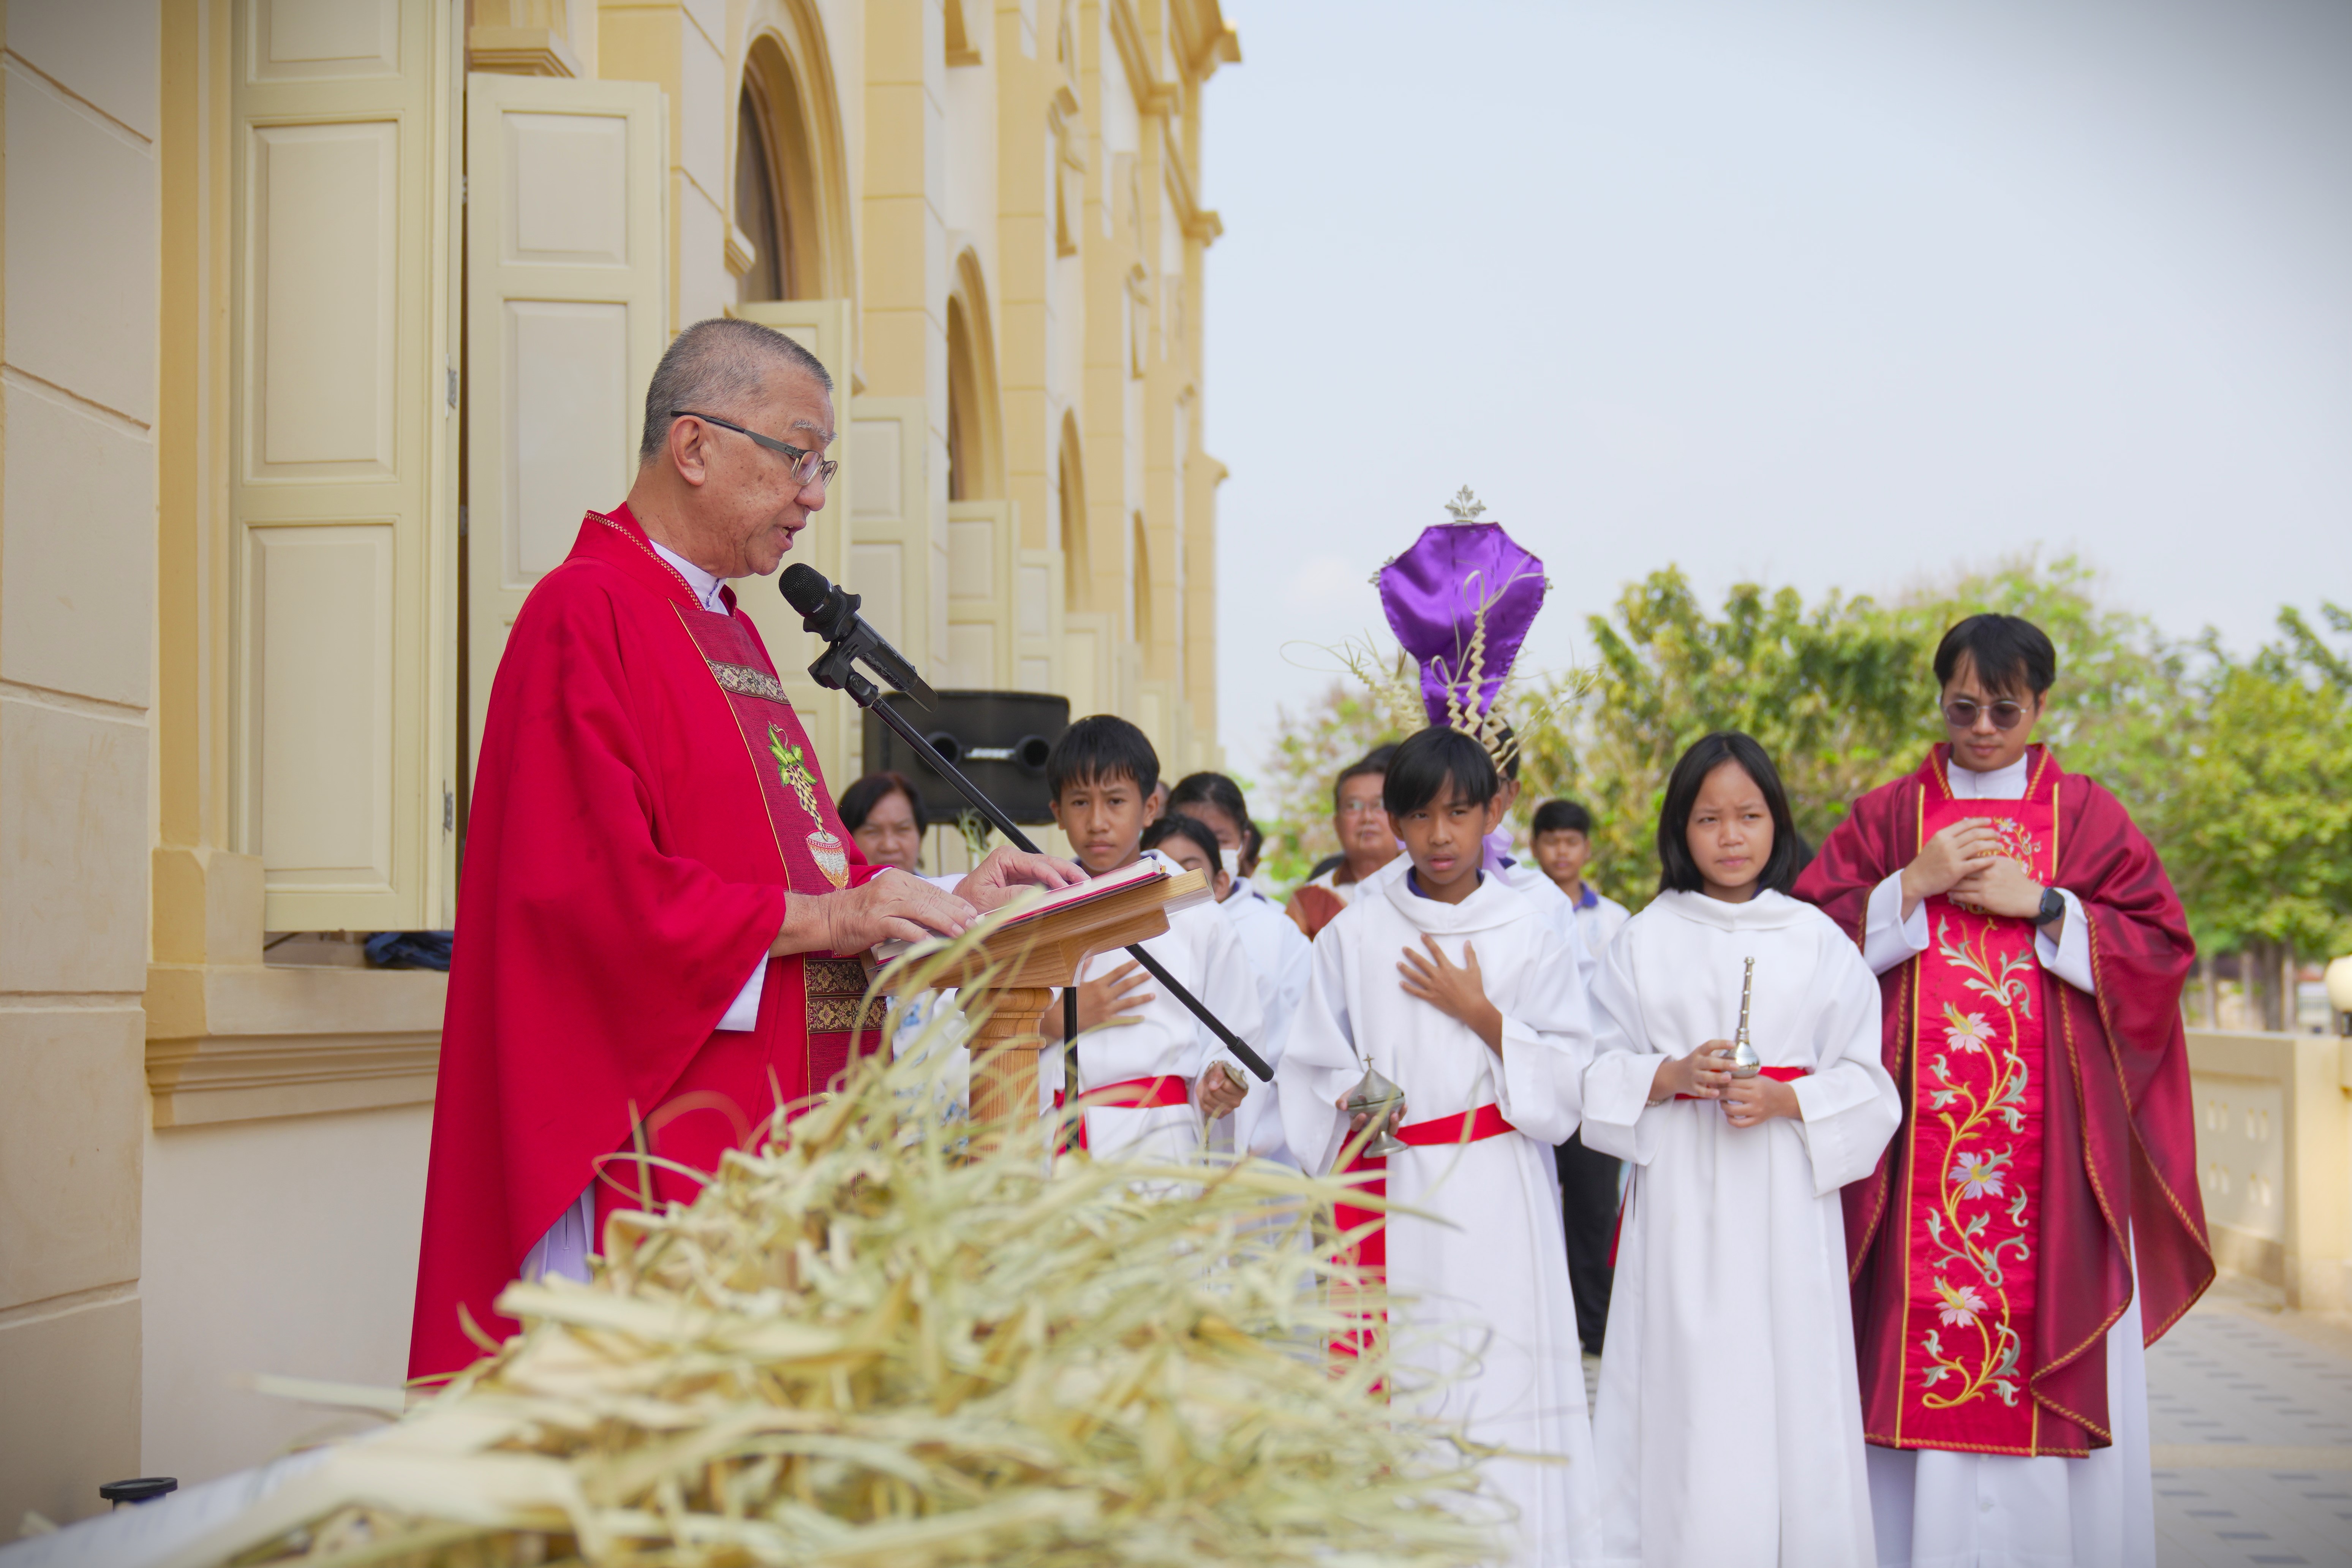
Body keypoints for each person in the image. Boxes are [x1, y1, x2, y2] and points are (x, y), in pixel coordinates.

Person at [409, 319, 1080, 1381]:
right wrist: (832, 919)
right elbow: (587, 895)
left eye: (825, 466)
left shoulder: (729, 627)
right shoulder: (586, 614)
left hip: (801, 1129)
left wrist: (951, 893)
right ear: (694, 447)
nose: (814, 494)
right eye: (798, 457)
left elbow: (806, 867)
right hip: (682, 1144)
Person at [1794, 615, 2209, 1568]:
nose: (1981, 727)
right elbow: (1808, 944)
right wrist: (1909, 882)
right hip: (1914, 1161)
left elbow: (2158, 950)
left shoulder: (2091, 816)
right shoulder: (1889, 815)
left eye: (2004, 709)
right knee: (1911, 1339)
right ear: (1939, 698)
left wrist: (2051, 906)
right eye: (1962, 706)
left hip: (2048, 1157)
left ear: (2041, 705)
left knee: (2036, 1326)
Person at [1279, 726, 1602, 1566]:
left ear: (1494, 812)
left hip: (1500, 1183)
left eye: (1461, 814)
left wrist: (1481, 1012)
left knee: (1501, 1375)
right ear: (1393, 821)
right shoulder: (1356, 931)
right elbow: (1312, 1057)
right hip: (1395, 1182)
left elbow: (1569, 1071)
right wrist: (1356, 1094)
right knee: (1413, 1379)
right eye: (1420, 817)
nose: (1442, 837)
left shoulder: (1532, 926)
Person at [1581, 732, 1898, 1567]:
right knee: (1686, 1386)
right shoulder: (1644, 938)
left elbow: (1872, 1083)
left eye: (1749, 816)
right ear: (1678, 831)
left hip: (1786, 1197)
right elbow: (1593, 1067)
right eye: (1709, 818)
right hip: (1683, 1194)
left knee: (1789, 1379)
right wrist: (1672, 1074)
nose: (1730, 836)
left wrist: (1790, 1096)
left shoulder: (1817, 938)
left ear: (1778, 824)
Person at [1037, 716, 1262, 1160]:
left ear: (1151, 807)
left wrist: (1220, 1077)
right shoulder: (1034, 909)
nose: (1098, 822)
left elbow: (1236, 1027)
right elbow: (978, 1019)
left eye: (1116, 801)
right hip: (1055, 1134)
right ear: (1057, 813)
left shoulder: (1196, 914)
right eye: (1080, 803)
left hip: (1159, 1139)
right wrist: (1058, 1019)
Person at [1163, 777, 1314, 1165]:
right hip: (1166, 1130)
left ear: (1243, 841)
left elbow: (1305, 1039)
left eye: (1219, 836)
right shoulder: (1143, 931)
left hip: (1263, 1143)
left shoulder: (1277, 929)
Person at [1287, 746, 1400, 939]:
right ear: (1337, 824)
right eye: (1353, 806)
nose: (1367, 817)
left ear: (1399, 818)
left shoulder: (1426, 883)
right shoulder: (1308, 901)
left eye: (1379, 805)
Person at [1532, 798, 1630, 956]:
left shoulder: (1617, 920)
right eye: (1551, 842)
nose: (1562, 851)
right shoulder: (1519, 911)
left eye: (1572, 842)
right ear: (1534, 847)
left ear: (1587, 848)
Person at [839, 771, 928, 873]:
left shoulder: (943, 888)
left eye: (902, 830)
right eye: (873, 832)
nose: (889, 846)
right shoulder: (833, 890)